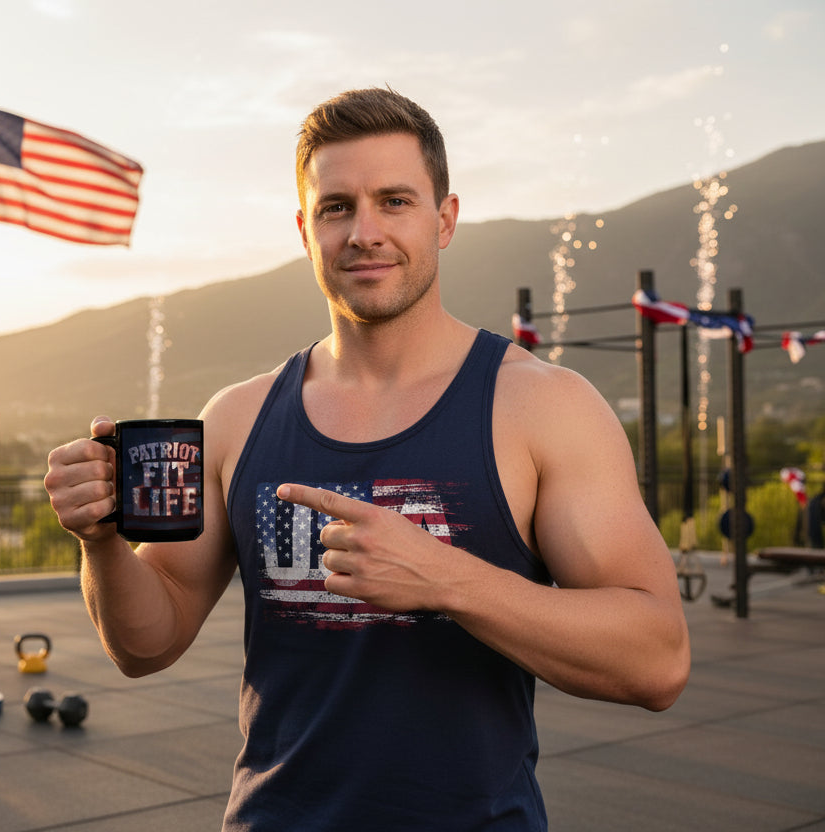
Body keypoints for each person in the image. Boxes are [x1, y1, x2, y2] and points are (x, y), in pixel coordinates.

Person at [44, 87, 690, 830]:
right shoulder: (238, 417)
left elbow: (658, 660)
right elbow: (146, 644)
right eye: (336, 207)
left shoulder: (544, 407)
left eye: (394, 201)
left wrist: (448, 580)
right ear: (304, 229)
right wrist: (99, 542)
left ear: (444, 220)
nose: (364, 232)